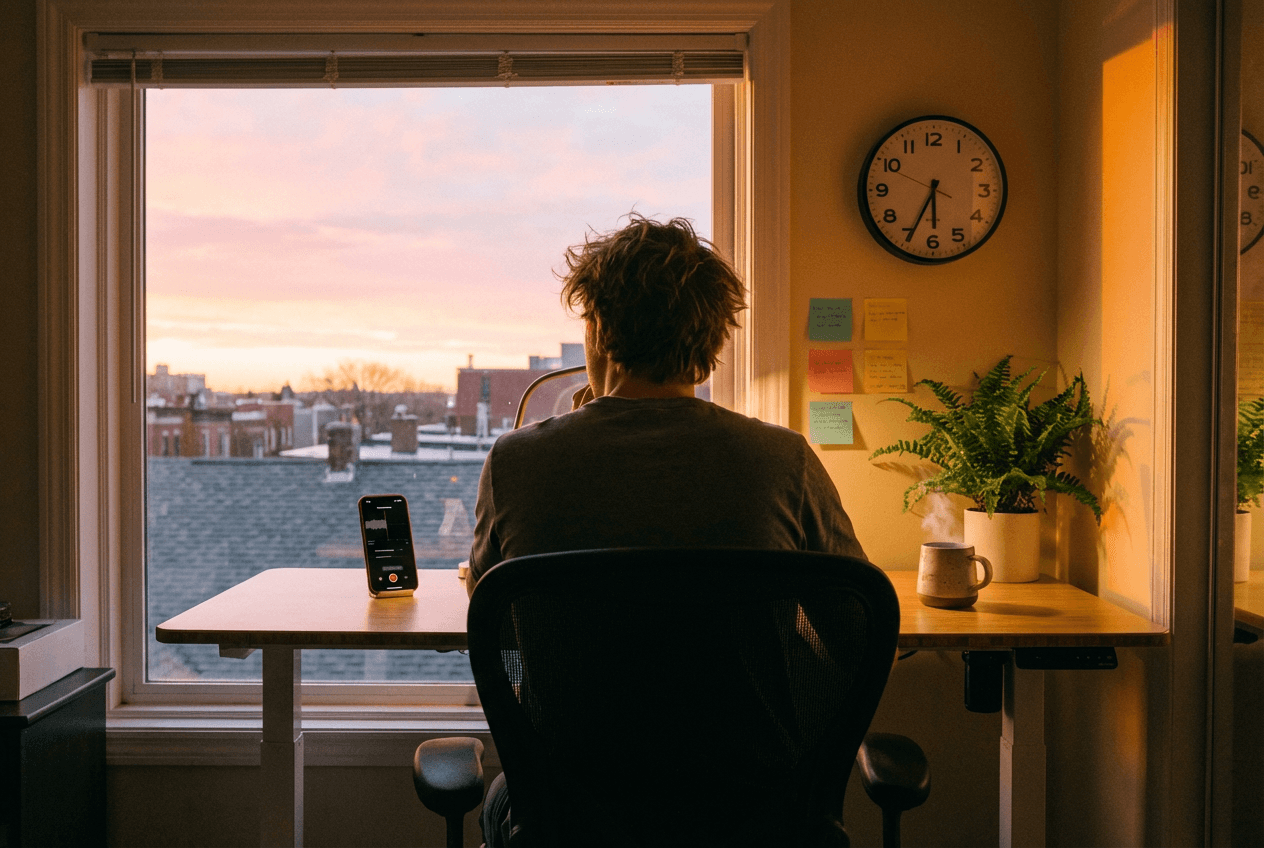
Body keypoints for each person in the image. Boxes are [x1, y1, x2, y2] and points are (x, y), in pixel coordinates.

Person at [467, 214, 866, 846]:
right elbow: (855, 628)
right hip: (750, 812)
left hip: (575, 814)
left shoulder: (517, 461)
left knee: (500, 801)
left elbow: (504, 625)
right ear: (713, 338)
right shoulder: (782, 460)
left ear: (598, 328)